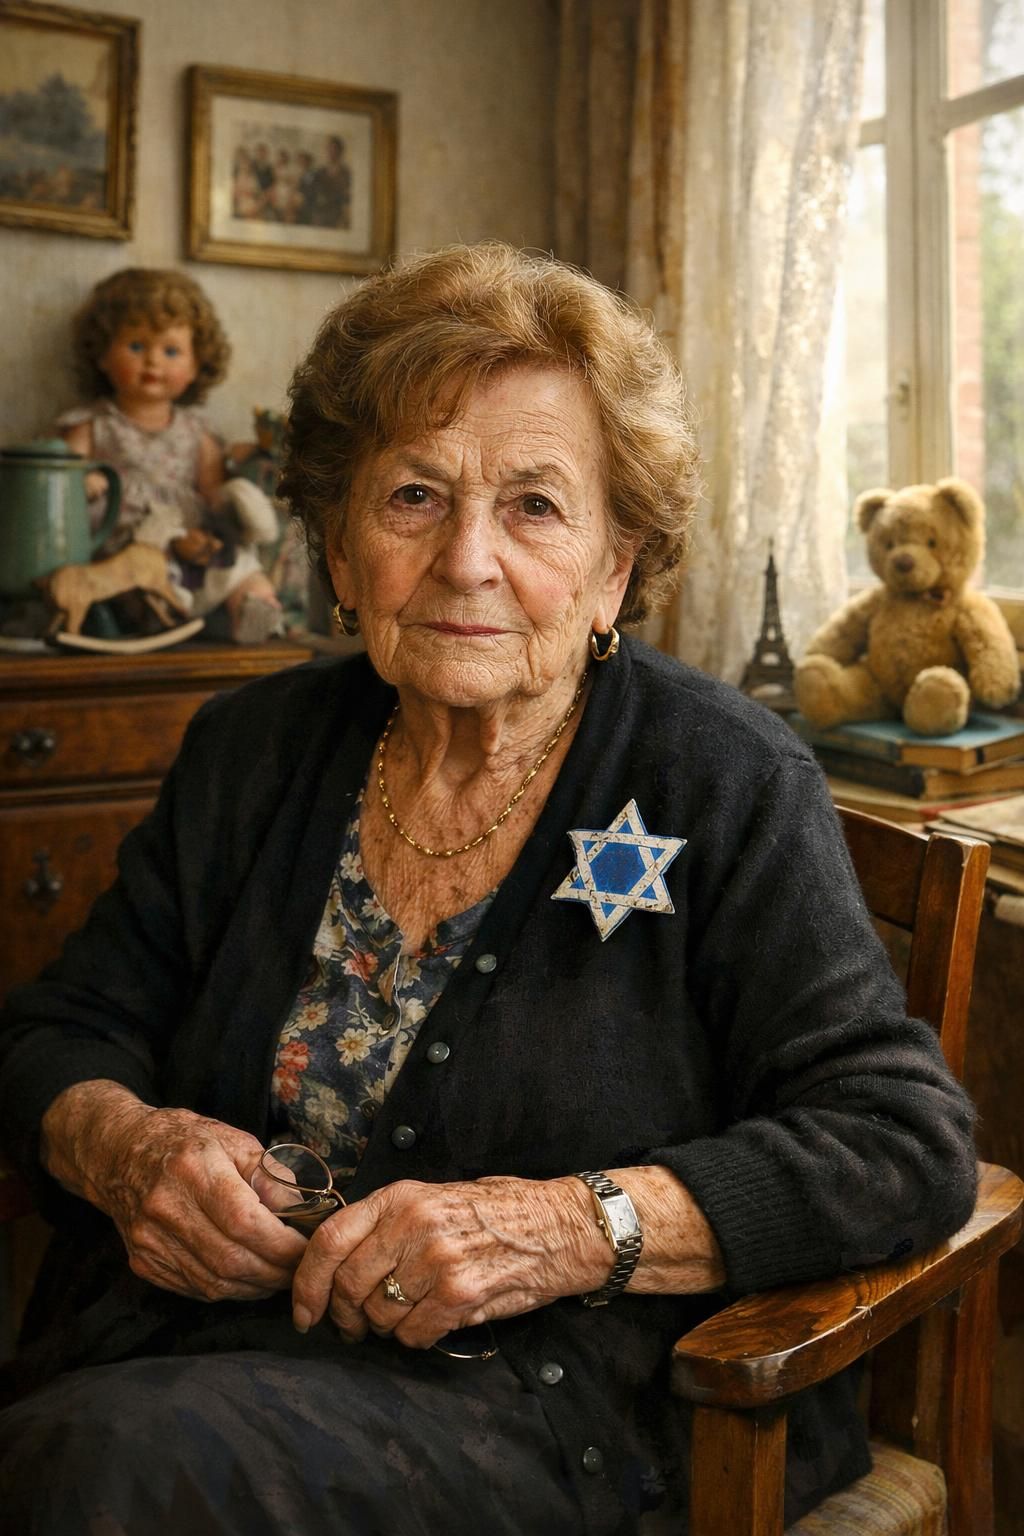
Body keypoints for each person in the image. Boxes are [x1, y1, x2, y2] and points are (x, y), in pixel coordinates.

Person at [0, 242, 975, 1535]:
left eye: (533, 505)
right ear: (340, 550)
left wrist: (570, 1229)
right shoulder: (254, 753)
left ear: (614, 568)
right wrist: (124, 1146)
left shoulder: (719, 780)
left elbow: (900, 1138)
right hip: (188, 1353)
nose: (467, 558)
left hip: (550, 1410)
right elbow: (54, 1031)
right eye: (413, 496)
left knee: (99, 1472)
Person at [58, 267, 282, 642]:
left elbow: (213, 491)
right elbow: (58, 474)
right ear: (101, 355)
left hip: (190, 537)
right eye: (136, 346)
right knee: (145, 576)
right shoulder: (94, 425)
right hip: (126, 545)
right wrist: (83, 478)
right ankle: (166, 617)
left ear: (195, 365)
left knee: (238, 564)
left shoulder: (197, 432)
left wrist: (237, 488)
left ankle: (254, 605)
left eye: (171, 350)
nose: (153, 362)